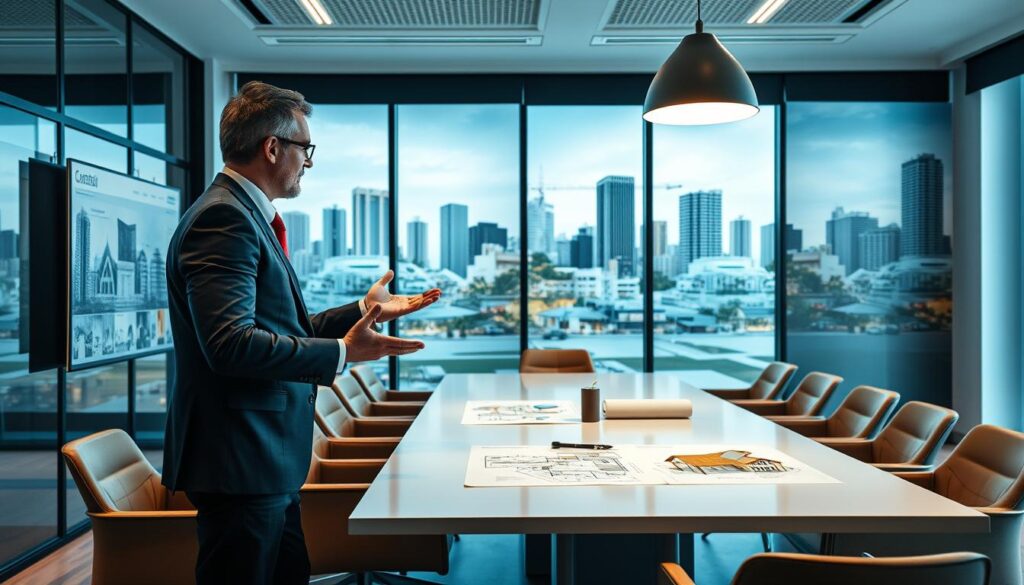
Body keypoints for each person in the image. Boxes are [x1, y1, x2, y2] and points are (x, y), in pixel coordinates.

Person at [162, 81, 441, 585]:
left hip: (264, 460)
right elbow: (229, 344)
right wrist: (341, 351)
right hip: (242, 459)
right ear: (273, 148)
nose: (308, 162)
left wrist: (361, 309)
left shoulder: (246, 216)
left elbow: (282, 329)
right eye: (304, 149)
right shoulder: (224, 219)